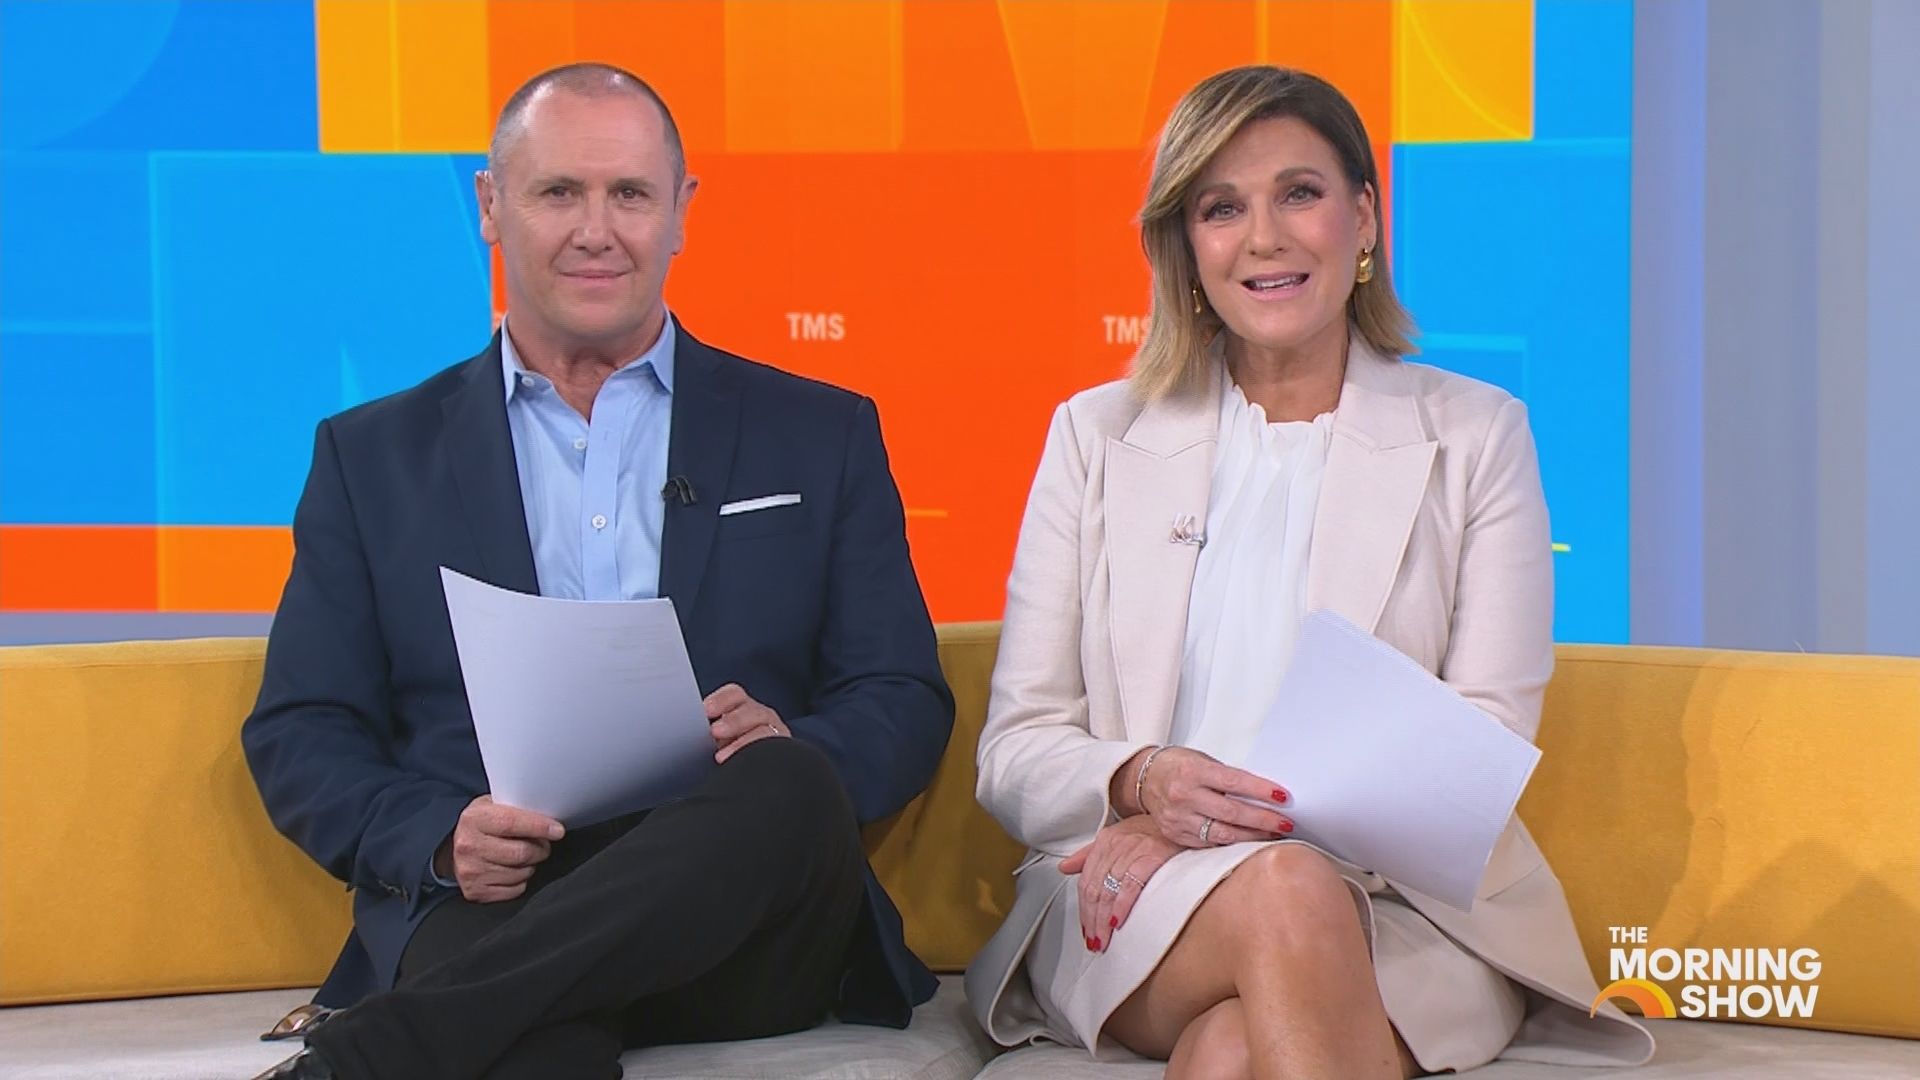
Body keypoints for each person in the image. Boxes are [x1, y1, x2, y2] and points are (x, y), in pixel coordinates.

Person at [243, 62, 953, 1080]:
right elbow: (303, 728)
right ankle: (447, 1027)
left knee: (789, 781)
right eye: (558, 192)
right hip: (499, 901)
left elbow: (902, 695)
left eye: (629, 193)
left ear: (680, 212)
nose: (596, 230)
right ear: (492, 207)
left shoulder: (818, 432)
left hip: (745, 913)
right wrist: (440, 839)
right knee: (534, 1045)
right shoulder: (372, 458)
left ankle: (373, 1054)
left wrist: (793, 741)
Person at [963, 66, 1654, 1078]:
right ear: (1186, 245)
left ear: (1363, 217)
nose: (1264, 238)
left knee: (1233, 1051)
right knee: (1284, 894)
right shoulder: (1096, 438)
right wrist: (1144, 782)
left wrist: (1212, 829)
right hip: (1135, 899)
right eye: (1221, 207)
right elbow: (1016, 752)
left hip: (1404, 907)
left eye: (1299, 193)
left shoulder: (1476, 435)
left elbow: (1479, 747)